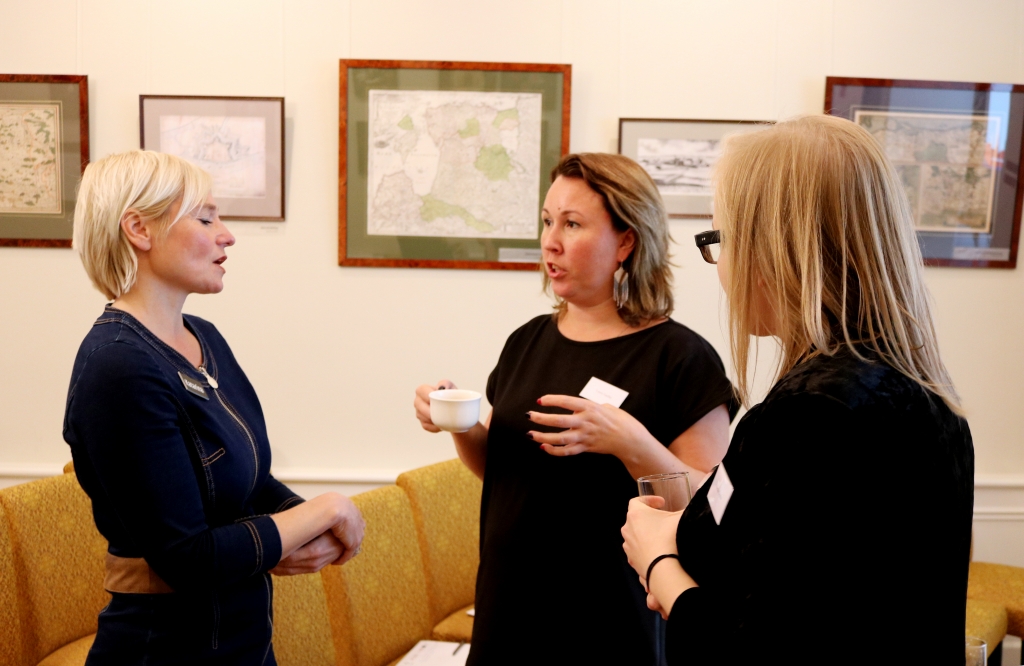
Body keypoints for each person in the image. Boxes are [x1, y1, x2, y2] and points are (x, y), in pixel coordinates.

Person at [621, 115, 974, 664]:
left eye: (721, 239)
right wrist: (683, 532)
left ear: (775, 249)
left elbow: (750, 650)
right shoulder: (931, 400)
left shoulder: (809, 415)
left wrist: (657, 563)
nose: (722, 266)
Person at [414, 153, 736, 665]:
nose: (551, 241)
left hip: (613, 621)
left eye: (572, 224)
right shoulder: (526, 341)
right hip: (508, 611)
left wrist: (629, 442)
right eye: (547, 221)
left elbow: (710, 505)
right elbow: (501, 470)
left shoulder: (680, 358)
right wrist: (459, 422)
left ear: (626, 241)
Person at [63, 151, 365, 665]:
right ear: (139, 229)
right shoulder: (118, 366)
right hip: (167, 650)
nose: (227, 235)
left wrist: (305, 524)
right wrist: (326, 509)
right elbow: (189, 558)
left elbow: (248, 481)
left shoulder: (203, 337)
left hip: (243, 640)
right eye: (205, 219)